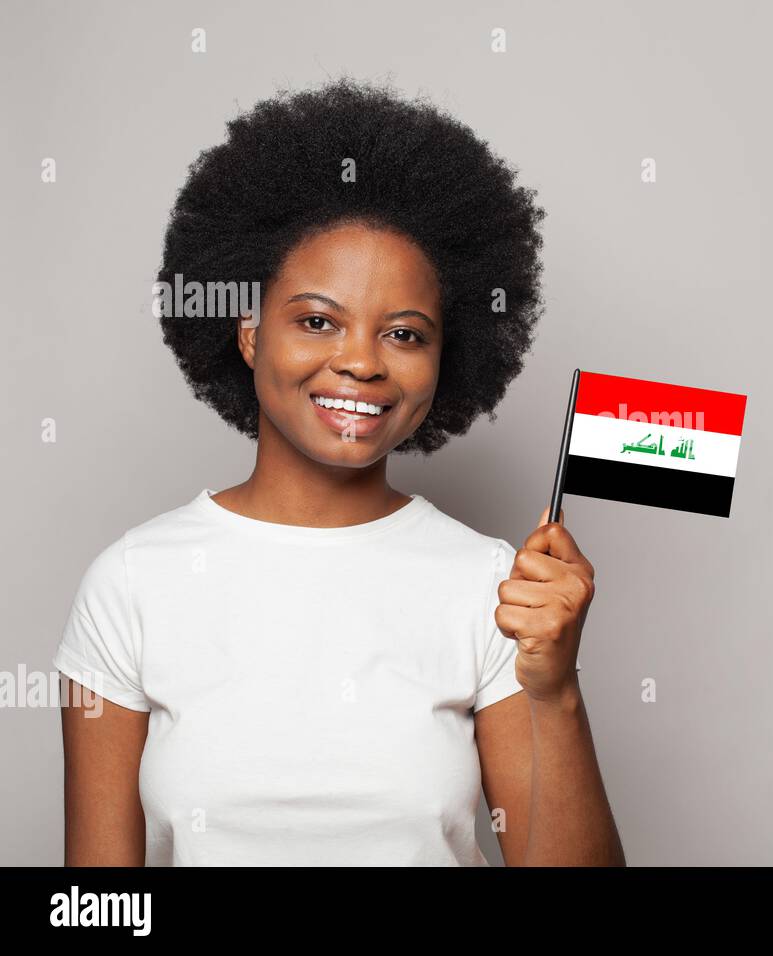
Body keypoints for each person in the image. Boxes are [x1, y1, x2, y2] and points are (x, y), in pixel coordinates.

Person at [54, 78, 624, 866]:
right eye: (317, 321)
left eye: (404, 333)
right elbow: (97, 908)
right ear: (249, 333)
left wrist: (554, 693)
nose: (359, 362)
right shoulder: (131, 584)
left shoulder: (496, 589)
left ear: (443, 361)